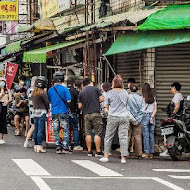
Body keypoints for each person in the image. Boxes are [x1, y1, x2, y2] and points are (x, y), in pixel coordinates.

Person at [99, 75, 132, 164]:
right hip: (124, 117)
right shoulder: (126, 92)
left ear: (113, 83)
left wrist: (108, 112)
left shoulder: (110, 93)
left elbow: (106, 106)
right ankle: (123, 158)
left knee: (108, 136)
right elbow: (128, 105)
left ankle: (106, 156)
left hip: (113, 116)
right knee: (123, 137)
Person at [78, 78, 104, 157]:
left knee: (88, 133)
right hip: (96, 113)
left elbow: (79, 106)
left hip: (86, 114)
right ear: (90, 82)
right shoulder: (96, 89)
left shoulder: (81, 92)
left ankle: (89, 151)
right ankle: (98, 151)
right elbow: (101, 99)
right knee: (97, 133)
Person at [48, 71, 71, 154]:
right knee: (65, 129)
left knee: (55, 129)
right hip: (63, 111)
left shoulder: (50, 89)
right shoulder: (65, 89)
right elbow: (69, 100)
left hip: (54, 112)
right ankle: (65, 147)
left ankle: (58, 147)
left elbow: (49, 100)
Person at [160, 82, 184, 157]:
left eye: (171, 88)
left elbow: (177, 106)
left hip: (176, 117)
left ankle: (168, 150)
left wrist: (173, 114)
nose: (171, 89)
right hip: (178, 116)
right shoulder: (179, 95)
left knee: (170, 132)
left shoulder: (177, 96)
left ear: (174, 88)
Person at [127, 83, 144, 159]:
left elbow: (127, 109)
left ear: (130, 89)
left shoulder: (128, 97)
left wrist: (132, 118)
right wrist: (137, 119)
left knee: (127, 135)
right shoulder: (141, 98)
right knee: (138, 136)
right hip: (138, 120)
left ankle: (124, 152)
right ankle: (139, 154)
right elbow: (142, 110)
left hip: (128, 119)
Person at [32, 76, 49, 153]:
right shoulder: (43, 93)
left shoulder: (33, 93)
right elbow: (47, 103)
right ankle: (39, 145)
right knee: (40, 129)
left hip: (35, 112)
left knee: (36, 128)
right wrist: (48, 109)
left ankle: (36, 145)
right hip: (42, 112)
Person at [141, 83, 157, 159]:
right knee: (151, 135)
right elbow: (155, 109)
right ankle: (152, 152)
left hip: (145, 116)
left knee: (146, 135)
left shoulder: (143, 98)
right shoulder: (153, 98)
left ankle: (147, 152)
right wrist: (152, 117)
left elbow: (141, 109)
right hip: (152, 117)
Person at [67, 78, 83, 151]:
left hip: (65, 112)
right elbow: (79, 102)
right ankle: (76, 144)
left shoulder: (65, 90)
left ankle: (67, 144)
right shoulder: (76, 91)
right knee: (75, 128)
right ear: (74, 83)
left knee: (66, 129)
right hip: (73, 112)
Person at [23, 76, 37, 148]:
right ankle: (28, 141)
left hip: (31, 110)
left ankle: (32, 141)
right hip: (34, 110)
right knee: (34, 126)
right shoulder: (34, 90)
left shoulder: (29, 90)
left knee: (33, 126)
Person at [0, 77, 12, 144]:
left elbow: (10, 98)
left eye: (3, 81)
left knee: (3, 121)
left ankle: (1, 137)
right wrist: (2, 92)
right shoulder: (1, 90)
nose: (2, 82)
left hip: (4, 106)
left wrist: (7, 102)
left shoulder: (8, 90)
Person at [100, 82, 112, 150]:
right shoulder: (111, 94)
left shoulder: (102, 95)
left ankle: (103, 147)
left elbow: (102, 105)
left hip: (103, 115)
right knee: (110, 132)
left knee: (103, 131)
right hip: (111, 115)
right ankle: (109, 148)